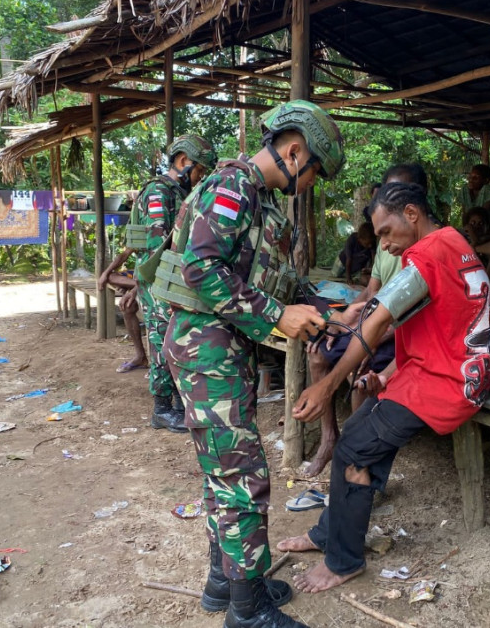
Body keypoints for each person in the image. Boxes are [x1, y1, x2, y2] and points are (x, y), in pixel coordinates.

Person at [160, 101, 351, 628]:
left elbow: (268, 279)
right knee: (242, 473)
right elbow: (201, 267)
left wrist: (328, 309)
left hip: (219, 347)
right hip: (206, 348)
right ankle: (248, 612)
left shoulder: (257, 198)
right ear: (294, 152)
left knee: (223, 470)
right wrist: (275, 315)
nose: (312, 184)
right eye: (315, 173)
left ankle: (226, 581)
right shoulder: (235, 187)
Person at [278, 181, 490, 594]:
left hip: (447, 385)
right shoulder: (454, 244)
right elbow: (438, 328)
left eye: (385, 232)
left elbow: (377, 320)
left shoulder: (427, 254)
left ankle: (343, 561)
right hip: (454, 373)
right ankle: (329, 534)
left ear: (411, 214)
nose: (384, 243)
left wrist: (326, 385)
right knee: (363, 431)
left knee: (352, 448)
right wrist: (390, 374)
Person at [301, 163, 427, 478]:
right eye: (385, 192)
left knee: (361, 369)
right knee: (316, 350)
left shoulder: (425, 252)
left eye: (396, 193)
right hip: (377, 327)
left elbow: (413, 319)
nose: (382, 240)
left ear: (414, 205)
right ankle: (330, 438)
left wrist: (364, 333)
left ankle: (360, 459)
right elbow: (372, 292)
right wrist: (339, 321)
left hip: (401, 336)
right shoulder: (388, 243)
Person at [98, 134, 217, 432]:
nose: (200, 177)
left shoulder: (176, 191)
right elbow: (155, 245)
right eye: (199, 170)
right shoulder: (159, 192)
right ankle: (161, 409)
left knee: (172, 341)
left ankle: (176, 403)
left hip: (167, 281)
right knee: (163, 341)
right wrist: (145, 285)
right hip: (159, 283)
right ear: (181, 161)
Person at [463, 206, 490, 302]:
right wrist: (473, 238)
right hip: (467, 285)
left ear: (487, 227)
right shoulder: (462, 238)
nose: (477, 227)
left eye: (481, 223)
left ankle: (482, 295)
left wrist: (475, 248)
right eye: (472, 223)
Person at [457, 163, 490, 233]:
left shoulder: (487, 189)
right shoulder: (465, 189)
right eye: (470, 177)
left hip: (489, 228)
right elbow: (464, 213)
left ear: (486, 180)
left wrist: (471, 232)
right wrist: (466, 229)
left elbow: (482, 216)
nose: (471, 180)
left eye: (476, 178)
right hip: (472, 227)